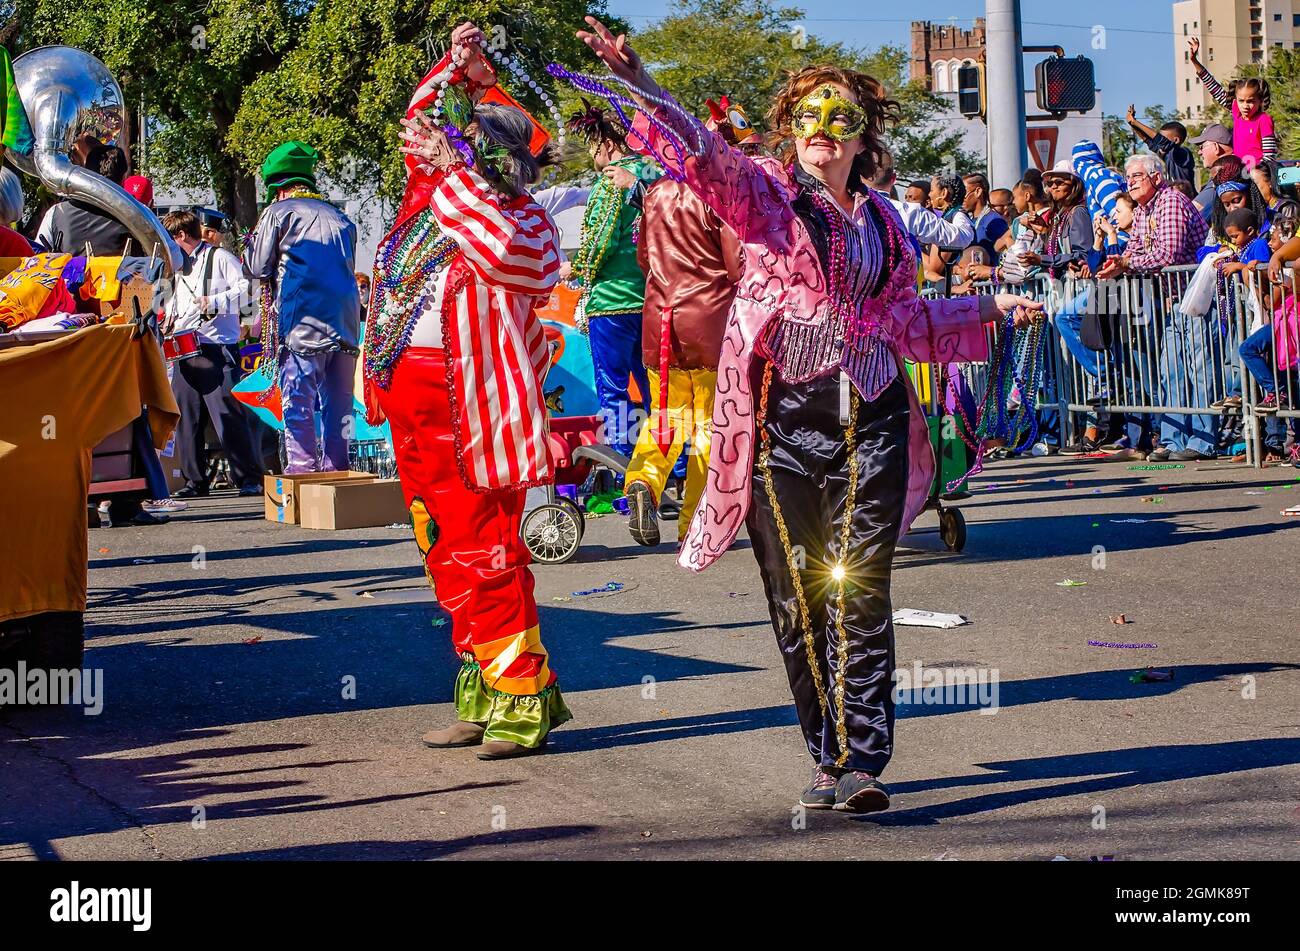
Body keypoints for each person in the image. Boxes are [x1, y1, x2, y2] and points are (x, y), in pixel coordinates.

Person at [575, 15, 1041, 812]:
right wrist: (641, 80)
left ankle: (864, 757)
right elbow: (702, 155)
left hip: (876, 417)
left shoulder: (888, 224)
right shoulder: (765, 199)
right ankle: (826, 756)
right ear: (791, 130)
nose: (822, 132)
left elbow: (909, 320)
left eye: (840, 118)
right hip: (783, 423)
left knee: (859, 585)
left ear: (863, 133)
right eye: (808, 118)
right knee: (798, 594)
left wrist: (993, 306)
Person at [365, 20, 571, 758]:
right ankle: (481, 686)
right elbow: (419, 125)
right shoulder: (431, 208)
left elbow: (508, 253)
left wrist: (456, 163)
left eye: (464, 143)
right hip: (413, 419)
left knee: (487, 552)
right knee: (443, 550)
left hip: (476, 418)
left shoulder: (521, 223)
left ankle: (522, 698)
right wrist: (461, 73)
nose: (437, 150)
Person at [624, 102, 751, 547]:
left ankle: (644, 480)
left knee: (667, 417)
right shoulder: (720, 192)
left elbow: (644, 258)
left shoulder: (655, 192)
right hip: (712, 324)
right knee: (710, 429)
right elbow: (737, 265)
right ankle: (697, 523)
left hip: (661, 321)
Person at [243, 141, 361, 473]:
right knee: (341, 404)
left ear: (278, 189)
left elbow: (256, 267)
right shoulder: (342, 218)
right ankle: (339, 466)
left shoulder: (278, 213)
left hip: (303, 322)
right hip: (347, 323)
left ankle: (303, 469)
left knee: (298, 400)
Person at [1098, 153, 1212, 462]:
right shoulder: (1144, 210)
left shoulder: (1171, 201)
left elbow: (1169, 255)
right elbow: (1133, 250)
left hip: (1197, 298)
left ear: (1156, 178)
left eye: (1136, 176)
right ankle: (1174, 440)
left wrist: (1127, 264)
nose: (1129, 182)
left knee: (1198, 371)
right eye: (1127, 177)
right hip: (1173, 299)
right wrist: (1117, 264)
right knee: (1171, 371)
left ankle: (1202, 441)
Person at [565, 102, 662, 462]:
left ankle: (626, 469)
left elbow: (598, 244)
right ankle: (673, 467)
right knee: (657, 391)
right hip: (654, 300)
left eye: (592, 148)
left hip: (612, 304)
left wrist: (574, 270)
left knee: (614, 390)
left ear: (606, 144)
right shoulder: (655, 176)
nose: (593, 156)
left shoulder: (612, 180)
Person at [161, 209, 261, 499]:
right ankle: (194, 481)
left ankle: (249, 479)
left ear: (181, 236)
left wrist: (215, 302)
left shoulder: (221, 258)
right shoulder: (173, 267)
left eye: (171, 240)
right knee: (185, 419)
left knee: (228, 416)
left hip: (216, 348)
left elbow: (249, 292)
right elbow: (162, 301)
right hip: (182, 350)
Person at [1189, 37, 1275, 169]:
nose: (1245, 105)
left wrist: (1258, 171)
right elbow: (1214, 88)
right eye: (1241, 101)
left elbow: (1269, 155)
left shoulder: (1263, 120)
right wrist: (1195, 61)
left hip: (1258, 171)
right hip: (1239, 170)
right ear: (1236, 100)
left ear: (1260, 101)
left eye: (1251, 101)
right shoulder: (1237, 113)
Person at [36, 144, 135, 255]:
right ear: (123, 178)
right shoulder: (135, 216)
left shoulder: (56, 213)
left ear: (87, 174)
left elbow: (38, 259)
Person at [1125, 108, 1195, 187]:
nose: (1159, 143)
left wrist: (1136, 122)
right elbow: (1148, 141)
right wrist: (1132, 123)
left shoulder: (1183, 153)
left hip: (1188, 196)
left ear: (1176, 140)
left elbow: (1162, 142)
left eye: (1163, 138)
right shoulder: (1168, 155)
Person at [1188, 123, 1236, 221]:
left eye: (1202, 147)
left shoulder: (1225, 173)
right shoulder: (1236, 166)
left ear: (1215, 147)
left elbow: (1190, 212)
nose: (1199, 152)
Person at [961, 172, 1009, 262]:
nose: (961, 199)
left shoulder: (994, 221)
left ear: (978, 192)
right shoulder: (968, 220)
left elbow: (1004, 254)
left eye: (964, 193)